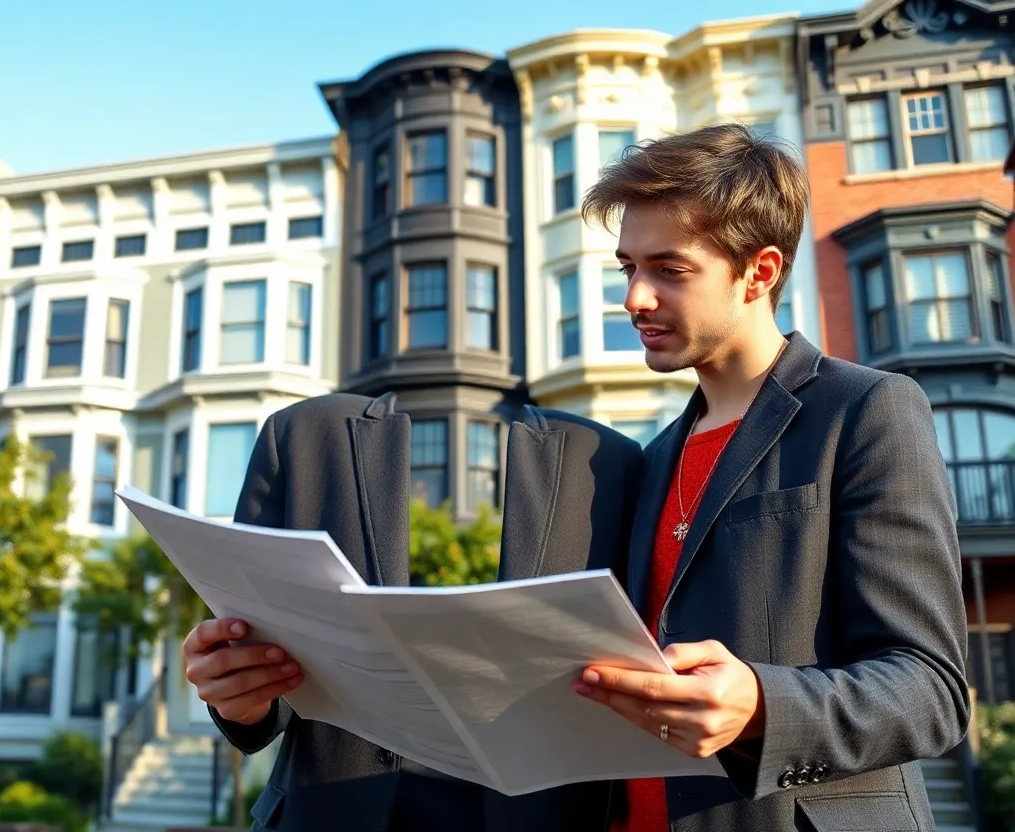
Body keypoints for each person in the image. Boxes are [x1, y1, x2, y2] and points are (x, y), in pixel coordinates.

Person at [571, 123, 970, 831]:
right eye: (628, 267)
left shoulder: (867, 409)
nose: (634, 298)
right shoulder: (652, 459)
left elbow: (931, 689)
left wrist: (762, 703)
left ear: (758, 273)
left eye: (669, 269)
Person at [183, 391, 641, 831]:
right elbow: (263, 667)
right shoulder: (303, 434)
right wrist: (240, 693)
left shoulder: (609, 463)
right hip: (330, 811)